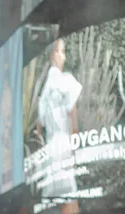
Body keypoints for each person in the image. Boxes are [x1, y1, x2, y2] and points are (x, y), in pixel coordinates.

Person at [37, 38, 82, 199]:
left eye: (63, 52)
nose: (63, 57)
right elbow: (73, 119)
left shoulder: (44, 91)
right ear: (51, 55)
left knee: (50, 202)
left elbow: (38, 129)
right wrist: (75, 147)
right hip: (63, 146)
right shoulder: (66, 81)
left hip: (50, 151)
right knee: (69, 199)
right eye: (60, 51)